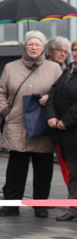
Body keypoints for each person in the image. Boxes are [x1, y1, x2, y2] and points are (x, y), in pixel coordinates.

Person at [0, 31, 62, 218]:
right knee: (16, 168)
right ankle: (10, 204)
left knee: (43, 167)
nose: (34, 48)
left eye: (38, 44)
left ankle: (40, 205)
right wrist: (6, 113)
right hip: (17, 124)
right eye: (30, 44)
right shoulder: (10, 67)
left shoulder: (55, 68)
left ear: (43, 47)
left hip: (42, 124)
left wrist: (49, 98)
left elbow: (61, 93)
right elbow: (0, 93)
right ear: (24, 46)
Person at [46, 56, 77, 221]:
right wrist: (51, 116)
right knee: (73, 173)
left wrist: (67, 120)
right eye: (75, 50)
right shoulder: (66, 71)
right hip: (67, 134)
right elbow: (52, 94)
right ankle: (74, 208)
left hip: (70, 126)